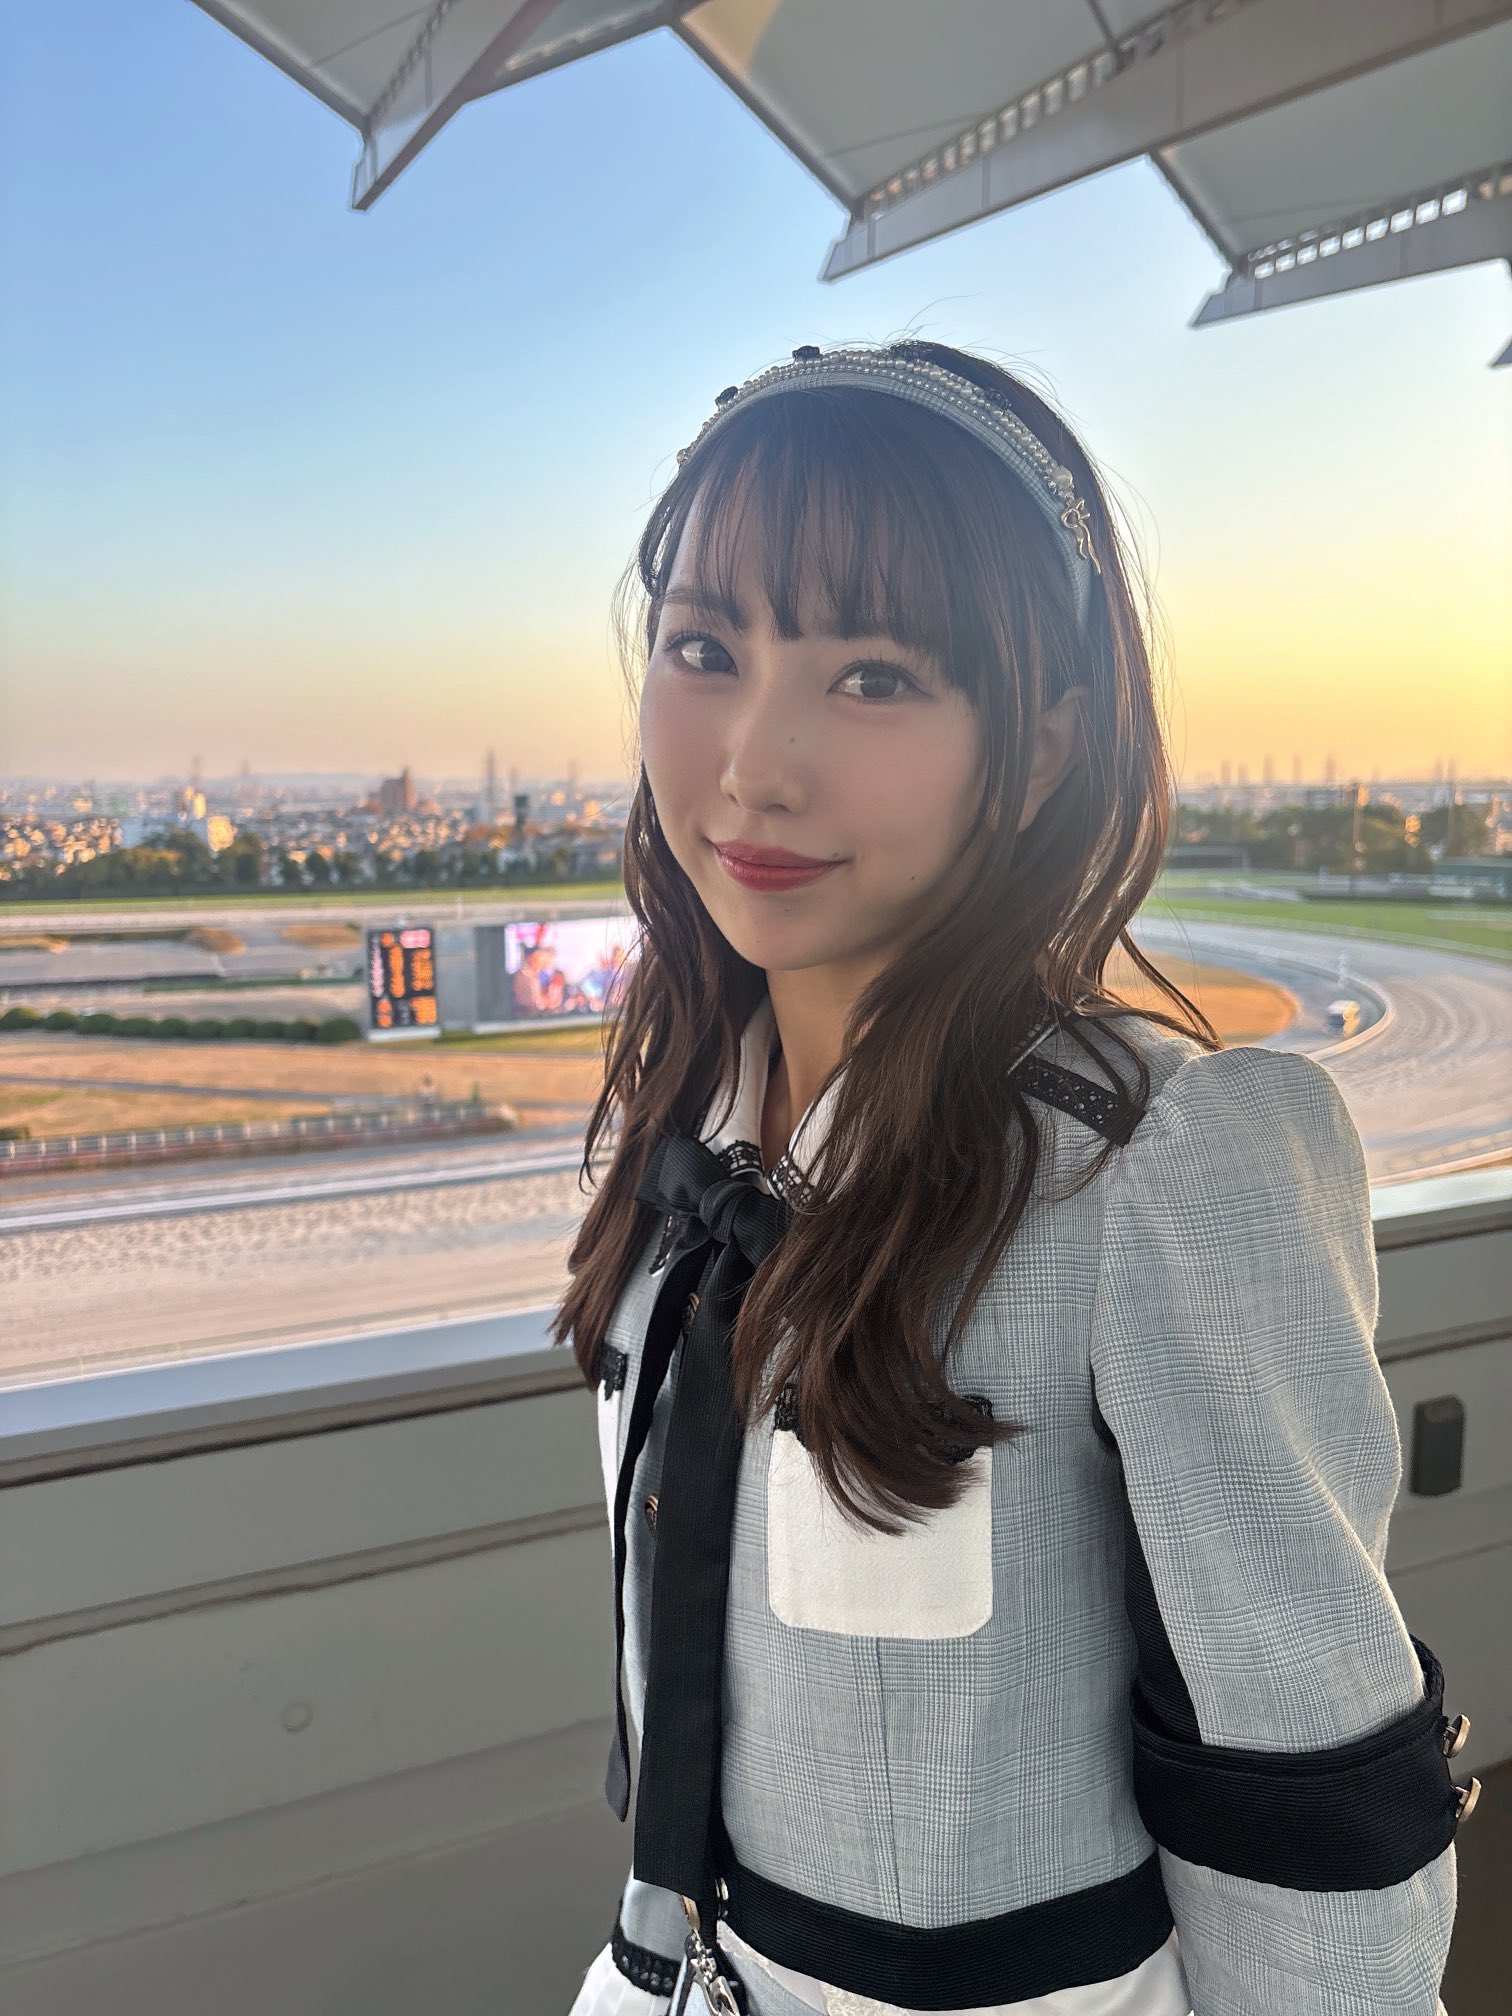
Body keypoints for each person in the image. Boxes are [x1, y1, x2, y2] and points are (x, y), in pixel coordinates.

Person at [553, 341, 1468, 2016]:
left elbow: (1311, 1800)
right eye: (704, 648)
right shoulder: (679, 1121)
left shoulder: (1159, 1166)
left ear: (1041, 749)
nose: (753, 763)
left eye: (874, 675)